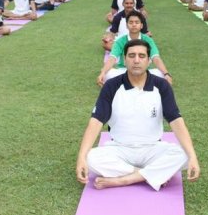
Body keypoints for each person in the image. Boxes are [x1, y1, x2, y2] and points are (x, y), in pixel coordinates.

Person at [77, 38, 200, 191]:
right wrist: (81, 158)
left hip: (152, 148)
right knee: (90, 158)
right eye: (132, 55)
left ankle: (125, 179)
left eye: (141, 56)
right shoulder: (111, 86)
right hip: (120, 148)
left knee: (185, 154)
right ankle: (147, 175)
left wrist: (193, 156)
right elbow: (95, 122)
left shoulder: (161, 86)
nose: (136, 60)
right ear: (124, 59)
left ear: (149, 61)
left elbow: (176, 121)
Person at [97, 11, 171, 85]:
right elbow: (112, 58)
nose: (134, 25)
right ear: (127, 25)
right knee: (108, 74)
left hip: (144, 71)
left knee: (160, 74)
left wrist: (166, 74)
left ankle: (130, 83)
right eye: (131, 22)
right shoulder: (120, 41)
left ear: (141, 25)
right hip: (124, 70)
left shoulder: (148, 40)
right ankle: (137, 83)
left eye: (136, 22)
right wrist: (103, 73)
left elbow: (156, 58)